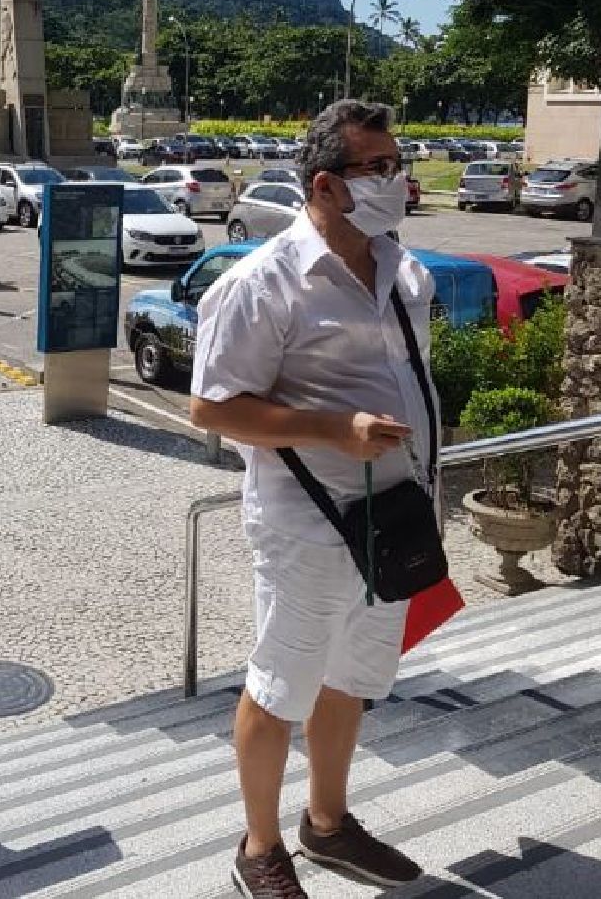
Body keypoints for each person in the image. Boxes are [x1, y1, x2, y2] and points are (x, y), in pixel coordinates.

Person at [190, 100, 434, 899]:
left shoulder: (402, 270)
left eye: (397, 163)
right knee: (279, 687)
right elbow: (215, 409)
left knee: (353, 678)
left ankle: (327, 825)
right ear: (326, 186)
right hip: (308, 524)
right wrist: (336, 427)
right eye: (381, 168)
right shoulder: (261, 284)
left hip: (392, 518)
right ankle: (259, 847)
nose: (399, 180)